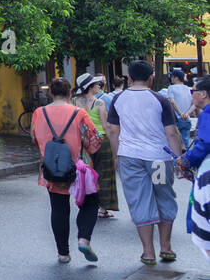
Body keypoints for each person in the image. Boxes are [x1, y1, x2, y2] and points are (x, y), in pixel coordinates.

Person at [107, 60, 186, 265]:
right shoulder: (160, 99)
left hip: (130, 158)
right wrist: (178, 160)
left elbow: (113, 130)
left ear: (129, 78)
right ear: (151, 78)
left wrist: (116, 156)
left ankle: (148, 252)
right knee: (163, 197)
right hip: (158, 159)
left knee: (139, 200)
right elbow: (172, 132)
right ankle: (166, 247)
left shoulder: (118, 99)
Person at [32, 77, 102, 264]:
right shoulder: (79, 113)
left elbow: (34, 138)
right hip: (78, 168)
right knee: (90, 202)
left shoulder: (39, 113)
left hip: (51, 167)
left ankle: (63, 253)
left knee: (59, 208)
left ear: (50, 93)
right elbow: (93, 143)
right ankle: (84, 239)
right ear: (70, 93)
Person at [74, 73, 119, 219]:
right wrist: (115, 149)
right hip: (100, 141)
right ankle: (103, 208)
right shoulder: (99, 104)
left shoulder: (74, 102)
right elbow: (106, 127)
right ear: (90, 87)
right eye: (96, 84)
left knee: (85, 174)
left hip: (83, 142)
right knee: (104, 174)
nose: (99, 86)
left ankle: (86, 203)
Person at [176, 77, 210, 265]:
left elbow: (205, 143)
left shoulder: (207, 114)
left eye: (193, 91)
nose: (191, 95)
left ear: (204, 94)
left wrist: (186, 160)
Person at [159, 68, 195, 150]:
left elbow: (172, 101)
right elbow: (194, 104)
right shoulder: (188, 89)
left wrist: (179, 113)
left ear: (176, 78)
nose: (171, 79)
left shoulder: (171, 88)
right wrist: (187, 114)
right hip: (186, 119)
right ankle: (186, 160)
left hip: (176, 119)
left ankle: (177, 161)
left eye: (172, 77)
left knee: (175, 144)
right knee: (186, 142)